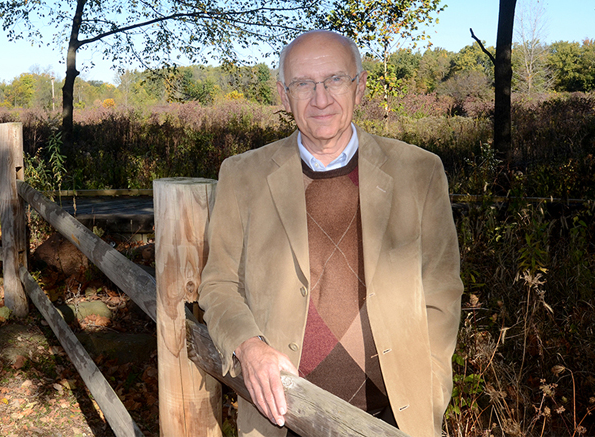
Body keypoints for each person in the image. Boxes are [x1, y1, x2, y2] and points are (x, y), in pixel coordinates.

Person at [197, 30, 463, 437]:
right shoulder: (242, 175)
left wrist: (431, 389)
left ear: (360, 88)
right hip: (284, 415)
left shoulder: (419, 172)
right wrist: (247, 346)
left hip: (395, 417)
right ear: (284, 97)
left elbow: (441, 293)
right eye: (303, 83)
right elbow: (218, 284)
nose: (320, 98)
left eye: (335, 80)